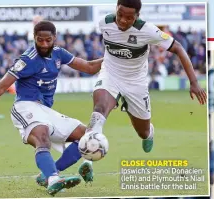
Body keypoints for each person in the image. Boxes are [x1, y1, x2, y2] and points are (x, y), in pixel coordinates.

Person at [0, 21, 103, 196]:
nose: (44, 44)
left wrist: (114, 57)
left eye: (48, 40)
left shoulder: (59, 54)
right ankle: (53, 180)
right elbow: (1, 87)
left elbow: (89, 67)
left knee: (85, 136)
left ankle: (48, 173)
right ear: (34, 38)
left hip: (45, 110)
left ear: (54, 38)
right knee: (42, 136)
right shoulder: (27, 60)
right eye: (39, 40)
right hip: (24, 106)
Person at [85, 0, 207, 153]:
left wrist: (194, 82)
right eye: (120, 15)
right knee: (99, 110)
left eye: (129, 18)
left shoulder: (147, 30)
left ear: (137, 16)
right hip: (110, 75)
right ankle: (88, 158)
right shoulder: (104, 23)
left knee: (142, 132)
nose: (123, 20)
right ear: (116, 9)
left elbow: (178, 47)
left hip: (136, 83)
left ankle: (149, 132)